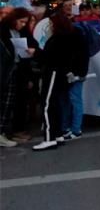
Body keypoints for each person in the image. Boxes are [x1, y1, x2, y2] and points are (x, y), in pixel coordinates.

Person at [34, 9, 89, 149]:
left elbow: (50, 57)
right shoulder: (69, 35)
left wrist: (35, 53)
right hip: (62, 74)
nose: (50, 26)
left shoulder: (59, 38)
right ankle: (57, 135)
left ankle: (49, 138)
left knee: (47, 105)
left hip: (53, 73)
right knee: (55, 104)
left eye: (52, 24)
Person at [1, 8, 35, 147]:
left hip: (18, 70)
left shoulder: (22, 31)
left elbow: (33, 44)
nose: (22, 25)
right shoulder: (2, 30)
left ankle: (7, 131)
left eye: (25, 22)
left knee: (10, 102)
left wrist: (31, 49)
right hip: (5, 70)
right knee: (4, 103)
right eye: (21, 21)